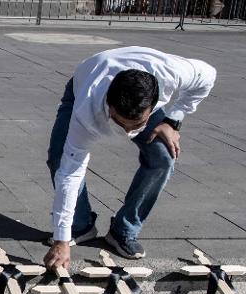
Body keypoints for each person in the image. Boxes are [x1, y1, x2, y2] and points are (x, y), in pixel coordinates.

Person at [44, 46, 216, 270]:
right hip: (82, 85)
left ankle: (123, 230)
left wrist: (173, 120)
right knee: (60, 158)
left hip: (142, 91)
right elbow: (70, 173)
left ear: (154, 104)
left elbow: (209, 75)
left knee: (163, 158)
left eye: (135, 125)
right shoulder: (87, 110)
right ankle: (80, 225)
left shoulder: (173, 72)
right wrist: (61, 239)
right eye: (119, 122)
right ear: (109, 104)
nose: (127, 132)